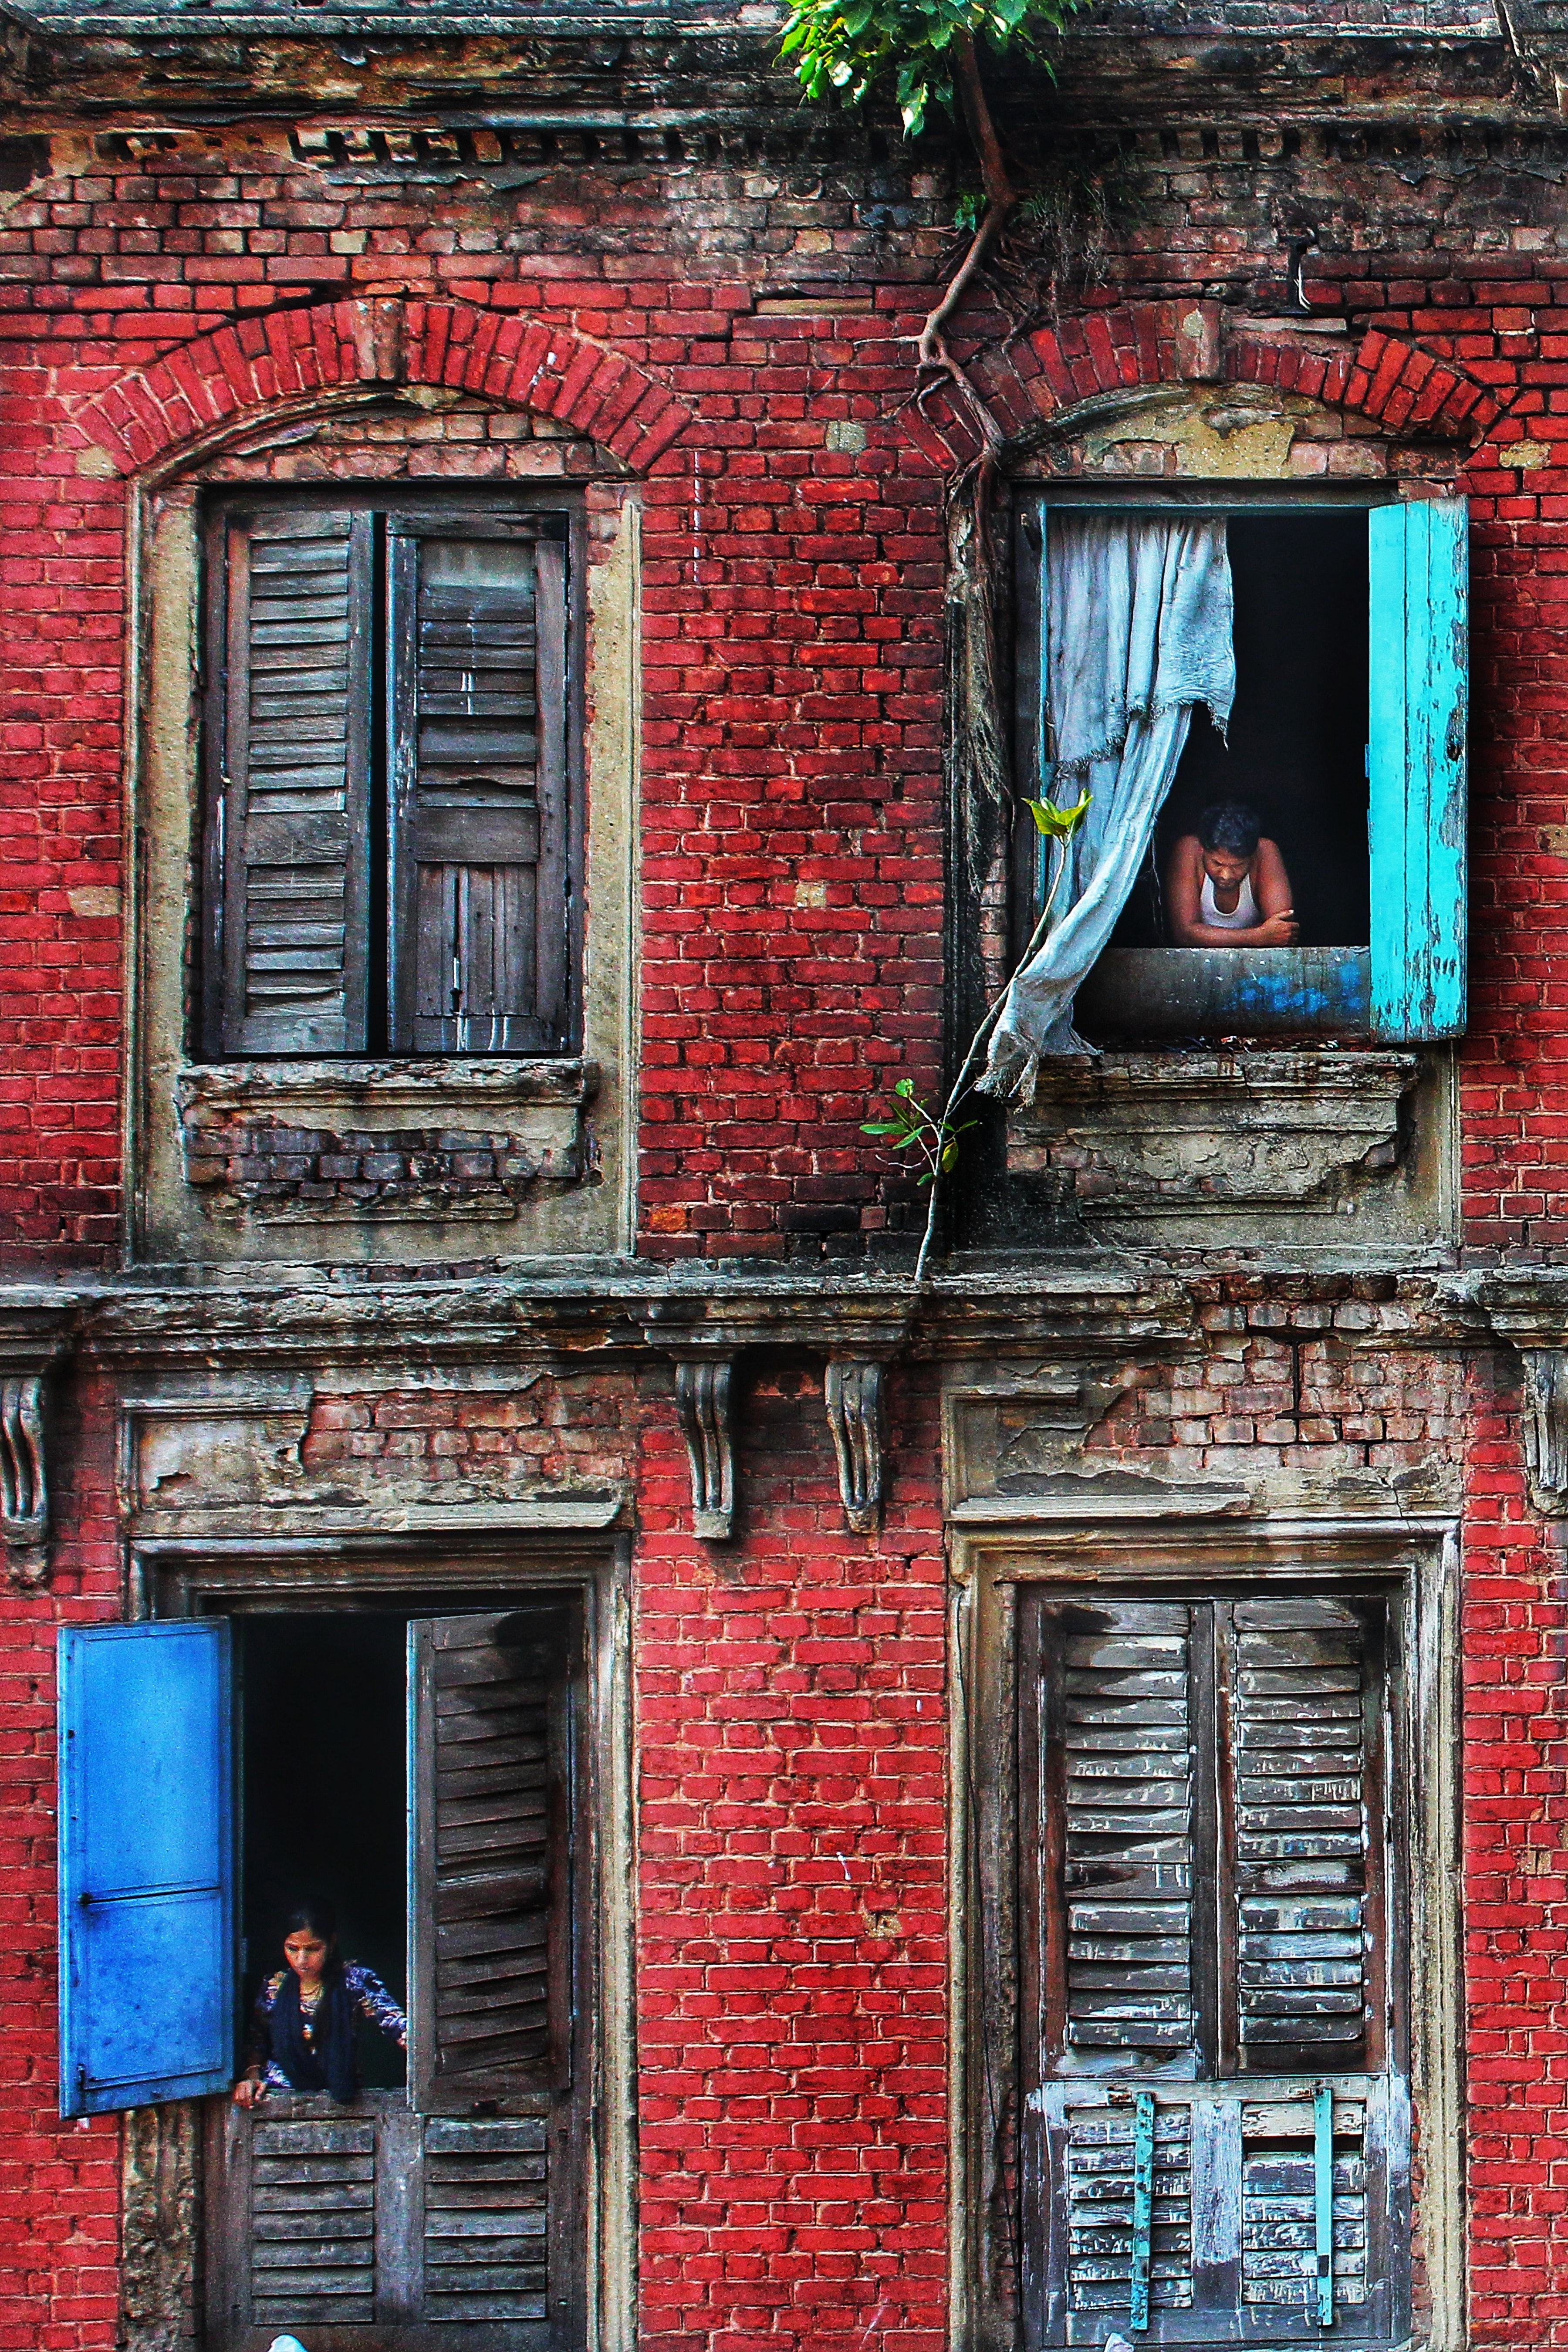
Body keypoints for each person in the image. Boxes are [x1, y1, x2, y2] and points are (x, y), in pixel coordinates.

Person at [233, 1900, 406, 2108]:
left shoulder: (355, 1981)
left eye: (313, 1949)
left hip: (341, 2099)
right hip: (279, 2101)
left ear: (331, 1943)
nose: (301, 1959)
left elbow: (398, 2026)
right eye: (293, 1949)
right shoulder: (273, 1987)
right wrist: (250, 2078)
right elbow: (257, 2043)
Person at [1166, 800, 1298, 948]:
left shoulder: (1265, 852)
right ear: (1203, 849)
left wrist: (1205, 935)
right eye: (1217, 863)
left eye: (1238, 866)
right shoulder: (1189, 850)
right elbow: (1184, 934)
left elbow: (1282, 932)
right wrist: (1256, 937)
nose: (1226, 875)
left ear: (1252, 856)